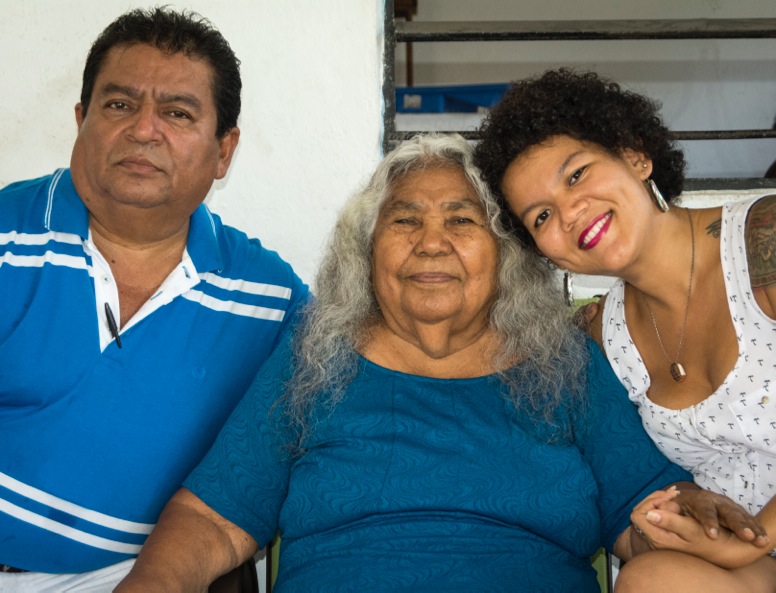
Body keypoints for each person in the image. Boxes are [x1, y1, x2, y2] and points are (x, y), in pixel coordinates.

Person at [113, 134, 766, 593]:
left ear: (504, 254)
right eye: (404, 221)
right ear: (366, 251)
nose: (432, 243)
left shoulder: (563, 361)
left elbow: (644, 512)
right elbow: (212, 515)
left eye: (461, 221)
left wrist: (677, 525)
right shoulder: (315, 357)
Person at [0, 7, 307, 589]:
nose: (143, 130)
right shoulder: (7, 238)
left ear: (224, 150)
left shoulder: (270, 301)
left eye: (177, 113)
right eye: (119, 104)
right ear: (81, 120)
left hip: (132, 577)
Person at [475, 68, 776, 591]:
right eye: (541, 216)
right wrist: (669, 516)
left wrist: (752, 539)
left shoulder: (762, 243)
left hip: (751, 546)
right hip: (748, 560)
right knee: (649, 578)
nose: (570, 213)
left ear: (636, 156)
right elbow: (635, 477)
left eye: (576, 175)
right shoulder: (600, 338)